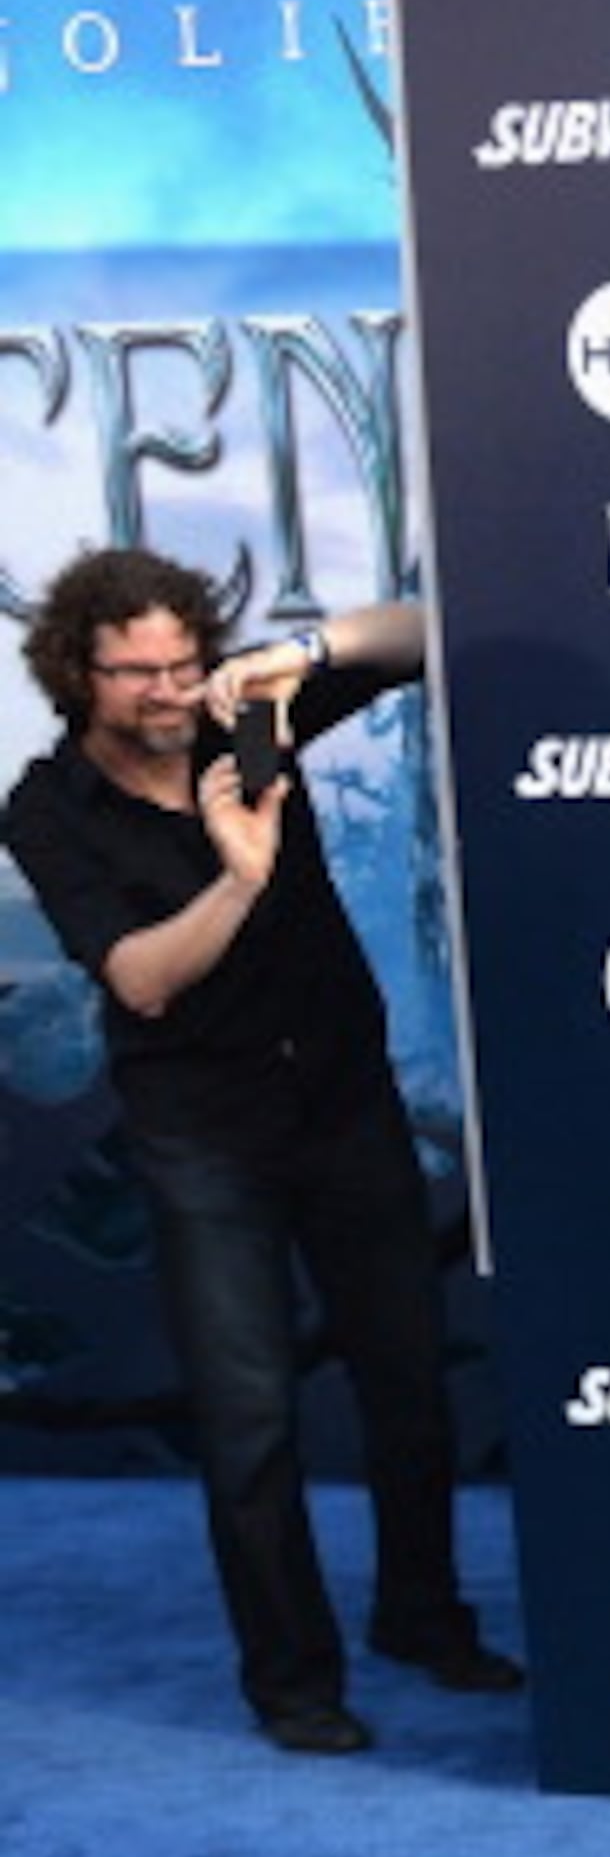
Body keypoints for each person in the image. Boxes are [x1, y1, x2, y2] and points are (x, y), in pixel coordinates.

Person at [5, 550, 518, 1755]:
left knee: (408, 1383)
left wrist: (308, 652)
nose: (169, 691)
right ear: (77, 672)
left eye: (184, 662)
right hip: (204, 1135)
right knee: (250, 1421)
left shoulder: (246, 707)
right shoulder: (47, 808)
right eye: (137, 673)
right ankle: (291, 1681)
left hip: (343, 1103)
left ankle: (424, 1619)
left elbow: (424, 632)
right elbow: (141, 979)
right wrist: (238, 881)